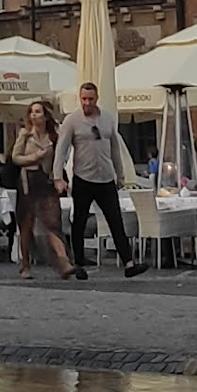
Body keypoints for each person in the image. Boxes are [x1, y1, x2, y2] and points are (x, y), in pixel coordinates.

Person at [58, 82, 138, 277]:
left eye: (91, 99)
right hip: (83, 178)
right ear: (80, 98)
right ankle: (78, 262)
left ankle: (128, 263)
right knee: (80, 221)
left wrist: (120, 174)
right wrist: (57, 177)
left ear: (97, 98)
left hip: (105, 178)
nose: (87, 103)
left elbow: (115, 149)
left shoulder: (107, 119)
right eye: (84, 99)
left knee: (115, 220)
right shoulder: (72, 120)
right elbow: (61, 150)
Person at [12, 97, 75, 283]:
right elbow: (15, 158)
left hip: (46, 182)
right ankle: (25, 265)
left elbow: (60, 158)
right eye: (32, 112)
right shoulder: (25, 134)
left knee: (52, 223)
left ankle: (63, 262)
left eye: (38, 111)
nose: (34, 115)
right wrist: (34, 157)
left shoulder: (54, 136)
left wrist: (58, 177)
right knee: (26, 224)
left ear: (46, 116)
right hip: (28, 182)